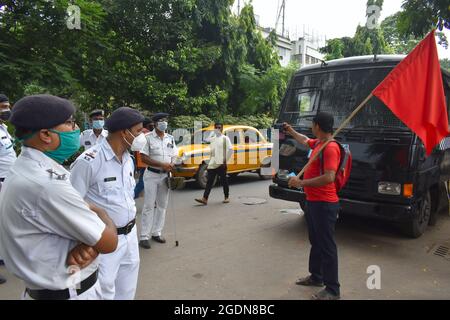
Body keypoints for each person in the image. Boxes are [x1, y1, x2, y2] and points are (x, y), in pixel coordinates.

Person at [0, 94, 118, 300]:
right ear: (46, 134)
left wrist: (89, 242)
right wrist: (102, 213)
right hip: (70, 293)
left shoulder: (27, 167)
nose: (75, 130)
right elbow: (109, 243)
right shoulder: (46, 184)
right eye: (69, 123)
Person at [70, 107, 145, 300]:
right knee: (104, 292)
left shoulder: (128, 159)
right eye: (138, 131)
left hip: (130, 236)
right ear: (124, 132)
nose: (141, 136)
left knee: (127, 291)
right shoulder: (89, 162)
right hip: (105, 241)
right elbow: (72, 205)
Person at [285, 112, 342, 300]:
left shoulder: (330, 148)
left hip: (325, 205)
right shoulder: (319, 143)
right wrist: (291, 131)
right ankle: (316, 277)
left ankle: (333, 289)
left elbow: (329, 177)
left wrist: (300, 183)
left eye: (312, 123)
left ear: (317, 125)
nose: (311, 127)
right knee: (316, 242)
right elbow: (304, 140)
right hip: (313, 202)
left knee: (327, 246)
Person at [139, 113, 178, 249]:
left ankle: (157, 232)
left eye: (165, 121)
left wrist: (172, 164)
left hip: (165, 176)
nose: (164, 123)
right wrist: (162, 164)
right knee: (149, 205)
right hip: (151, 175)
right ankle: (144, 236)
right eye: (161, 121)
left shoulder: (170, 138)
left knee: (162, 205)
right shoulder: (147, 138)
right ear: (155, 124)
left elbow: (174, 155)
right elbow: (143, 158)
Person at [0, 93, 17, 284]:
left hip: (7, 179)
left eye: (7, 106)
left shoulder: (4, 129)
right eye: (3, 107)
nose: (7, 110)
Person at [195, 122, 232, 205]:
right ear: (214, 129)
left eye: (220, 127)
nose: (218, 129)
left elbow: (230, 150)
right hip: (212, 164)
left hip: (221, 164)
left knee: (224, 181)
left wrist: (225, 161)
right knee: (209, 182)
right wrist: (209, 163)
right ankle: (205, 199)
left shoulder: (225, 138)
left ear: (222, 129)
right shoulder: (212, 139)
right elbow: (212, 152)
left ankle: (226, 197)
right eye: (217, 127)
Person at [134, 117, 155, 199]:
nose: (152, 127)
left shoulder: (138, 132)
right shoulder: (147, 133)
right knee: (143, 182)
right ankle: (132, 196)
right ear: (147, 125)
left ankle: (154, 200)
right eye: (151, 125)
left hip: (141, 161)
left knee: (148, 182)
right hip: (146, 161)